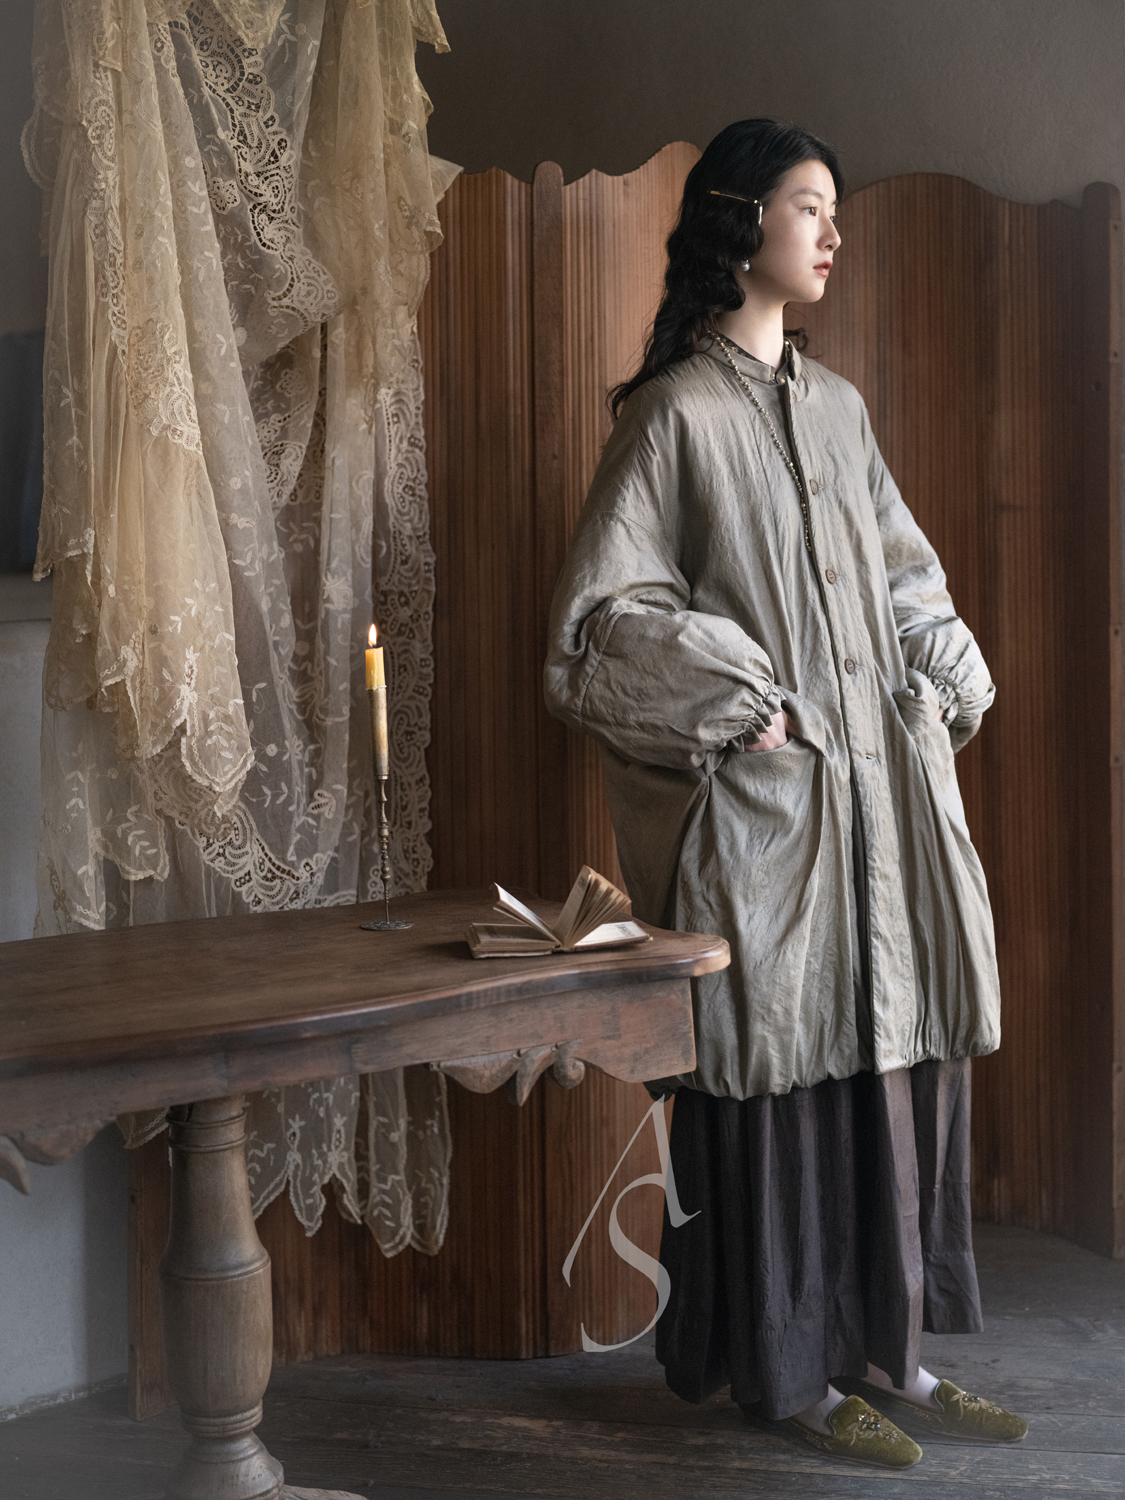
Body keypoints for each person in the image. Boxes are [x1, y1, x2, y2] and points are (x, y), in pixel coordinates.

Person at [544, 118, 1027, 1469]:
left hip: (883, 813)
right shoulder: (671, 418)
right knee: (783, 1094)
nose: (831, 232)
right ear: (740, 218)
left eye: (833, 210)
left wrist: (935, 677)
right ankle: (794, 1381)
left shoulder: (838, 408)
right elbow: (595, 632)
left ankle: (895, 1359)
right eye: (809, 206)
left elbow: (905, 577)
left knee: (892, 1071)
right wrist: (737, 699)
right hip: (770, 829)